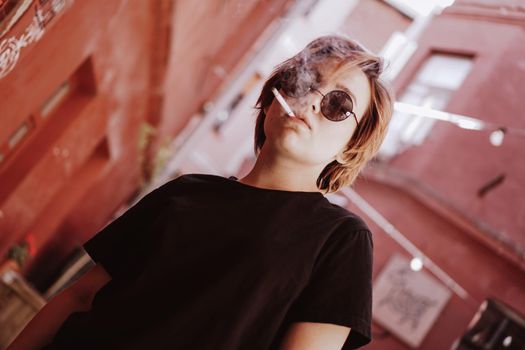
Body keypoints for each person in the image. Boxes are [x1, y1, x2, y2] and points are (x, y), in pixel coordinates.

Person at [9, 34, 394, 349]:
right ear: (272, 101)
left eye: (338, 104)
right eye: (305, 83)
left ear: (351, 146)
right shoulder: (186, 191)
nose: (311, 100)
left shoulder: (341, 239)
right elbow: (79, 297)